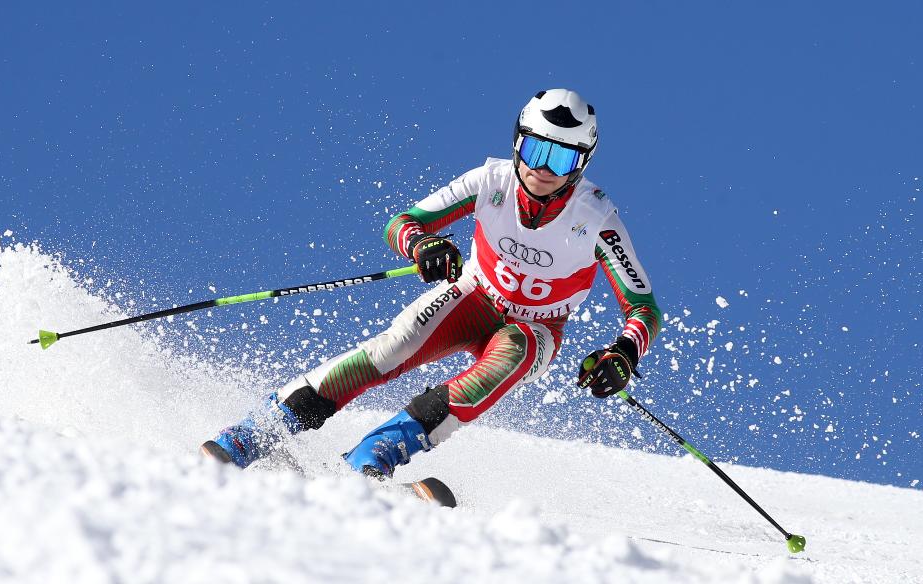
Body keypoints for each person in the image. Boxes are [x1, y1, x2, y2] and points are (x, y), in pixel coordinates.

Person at [200, 89, 662, 478]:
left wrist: (624, 353)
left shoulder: (596, 219)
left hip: (535, 328)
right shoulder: (490, 182)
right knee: (391, 349)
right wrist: (422, 245)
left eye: (560, 158)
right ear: (517, 143)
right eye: (534, 150)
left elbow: (643, 307)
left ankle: (373, 456)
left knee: (510, 356)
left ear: (581, 163)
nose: (542, 169)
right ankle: (257, 431)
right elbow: (401, 223)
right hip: (473, 295)